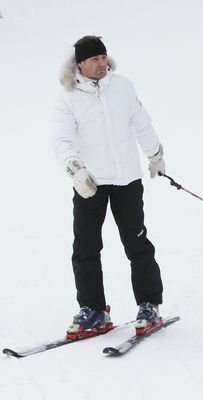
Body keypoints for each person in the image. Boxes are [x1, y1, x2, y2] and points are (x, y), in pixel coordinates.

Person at [52, 36, 166, 337]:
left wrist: (155, 154)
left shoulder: (123, 86)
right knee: (85, 247)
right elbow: (62, 140)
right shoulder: (68, 98)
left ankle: (149, 305)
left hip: (127, 180)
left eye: (104, 57)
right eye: (94, 59)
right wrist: (75, 170)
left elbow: (141, 122)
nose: (102, 63)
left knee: (137, 244)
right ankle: (94, 311)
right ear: (80, 64)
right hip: (90, 183)